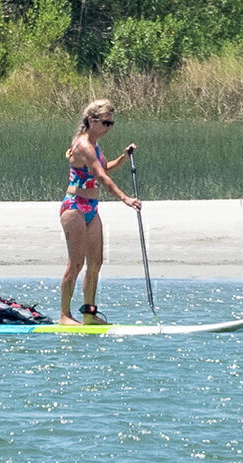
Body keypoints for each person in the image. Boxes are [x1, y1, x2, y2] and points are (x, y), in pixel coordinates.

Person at [59, 99, 142, 325]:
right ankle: (64, 315)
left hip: (91, 208)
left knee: (96, 262)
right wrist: (125, 198)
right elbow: (102, 178)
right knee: (75, 263)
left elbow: (103, 169)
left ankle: (89, 313)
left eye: (111, 124)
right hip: (74, 207)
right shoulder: (84, 145)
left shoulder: (94, 146)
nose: (108, 128)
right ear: (91, 120)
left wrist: (124, 157)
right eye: (105, 123)